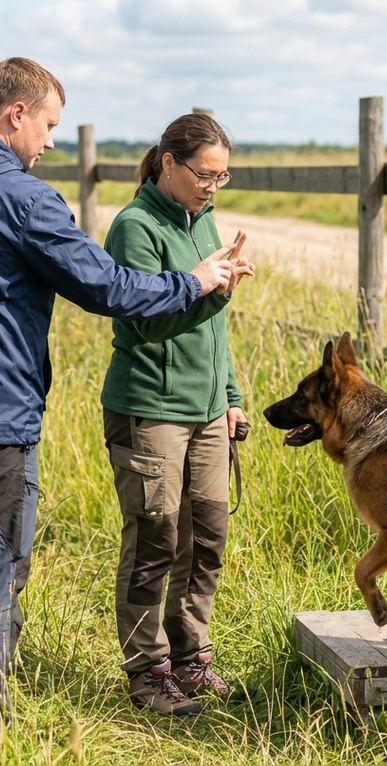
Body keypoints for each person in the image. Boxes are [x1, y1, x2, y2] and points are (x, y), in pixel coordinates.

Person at [0, 58, 238, 721]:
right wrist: (194, 283)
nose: (50, 142)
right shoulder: (24, 200)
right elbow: (109, 287)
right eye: (49, 125)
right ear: (16, 114)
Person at [99, 113, 255, 717]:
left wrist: (233, 395)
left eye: (223, 176)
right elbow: (142, 319)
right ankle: (147, 672)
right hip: (151, 408)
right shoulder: (135, 228)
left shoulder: (203, 220)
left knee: (207, 537)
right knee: (156, 539)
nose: (212, 186)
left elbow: (213, 326)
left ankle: (191, 658)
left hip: (209, 410)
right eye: (204, 174)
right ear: (169, 162)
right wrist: (200, 284)